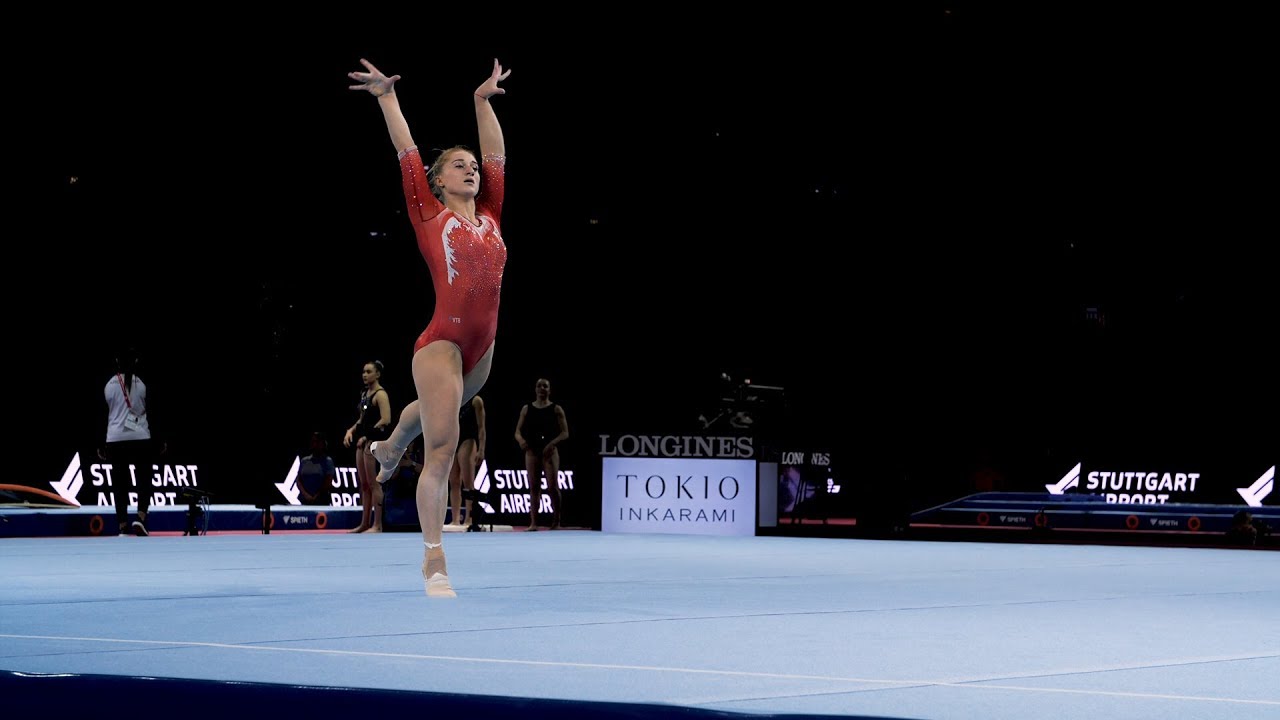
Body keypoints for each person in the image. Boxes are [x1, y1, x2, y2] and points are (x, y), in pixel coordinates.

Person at [349, 56, 511, 598]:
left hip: (481, 348)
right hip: (440, 343)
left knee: (439, 412)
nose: (472, 169)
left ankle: (391, 446)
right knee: (443, 444)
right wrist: (386, 98)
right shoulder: (428, 213)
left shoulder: (490, 215)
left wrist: (482, 100)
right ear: (439, 182)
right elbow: (407, 153)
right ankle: (433, 559)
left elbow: (497, 154)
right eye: (458, 166)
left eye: (473, 166)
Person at [97, 348, 163, 536]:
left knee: (119, 484)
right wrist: (159, 439)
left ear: (117, 361)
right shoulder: (141, 383)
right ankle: (141, 516)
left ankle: (122, 525)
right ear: (135, 361)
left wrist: (101, 444)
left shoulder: (109, 385)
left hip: (116, 440)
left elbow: (103, 416)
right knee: (144, 480)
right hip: (140, 438)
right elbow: (154, 411)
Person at [514, 378, 569, 530]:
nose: (542, 388)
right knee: (534, 487)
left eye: (545, 386)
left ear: (549, 390)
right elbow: (517, 431)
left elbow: (565, 433)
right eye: (539, 385)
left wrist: (552, 443)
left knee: (552, 486)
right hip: (532, 450)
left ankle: (556, 521)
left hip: (549, 452)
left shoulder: (556, 409)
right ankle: (533, 523)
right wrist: (521, 441)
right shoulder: (527, 409)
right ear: (535, 389)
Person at [342, 360, 390, 532]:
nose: (365, 374)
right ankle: (364, 523)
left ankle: (377, 524)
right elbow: (362, 419)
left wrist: (367, 436)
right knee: (363, 485)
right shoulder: (364, 394)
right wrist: (351, 430)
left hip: (374, 442)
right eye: (363, 371)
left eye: (369, 371)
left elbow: (386, 419)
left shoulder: (380, 394)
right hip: (363, 441)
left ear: (377, 374)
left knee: (374, 483)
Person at [447, 395, 486, 529]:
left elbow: (481, 428)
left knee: (468, 482)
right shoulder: (453, 398)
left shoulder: (476, 401)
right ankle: (455, 518)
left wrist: (481, 449)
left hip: (468, 440)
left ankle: (469, 518)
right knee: (454, 481)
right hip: (454, 441)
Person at [296, 432, 336, 506]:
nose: (315, 444)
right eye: (313, 441)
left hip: (321, 502)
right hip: (304, 501)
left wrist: (316, 496)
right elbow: (298, 480)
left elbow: (328, 482)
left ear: (323, 444)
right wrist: (306, 495)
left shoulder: (328, 461)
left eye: (317, 442)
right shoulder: (304, 460)